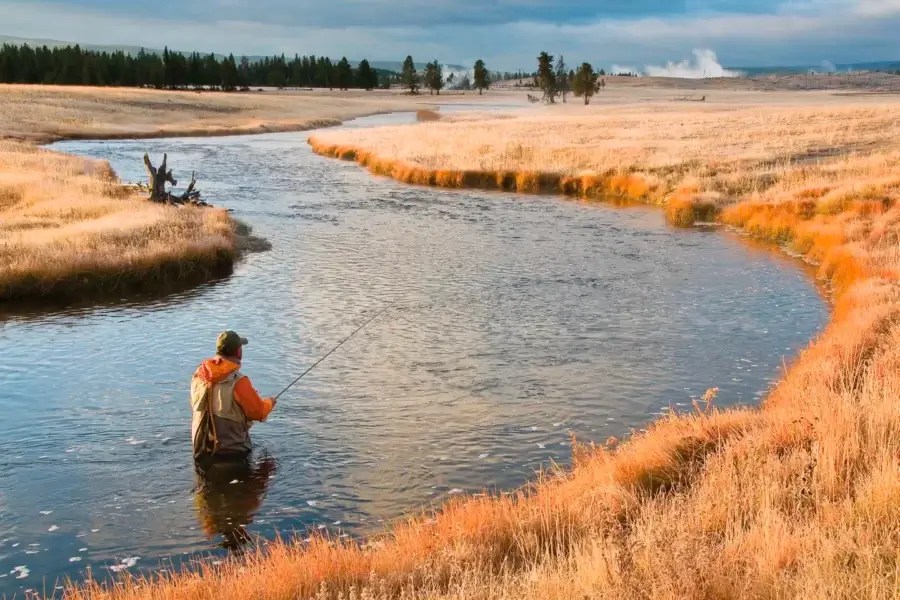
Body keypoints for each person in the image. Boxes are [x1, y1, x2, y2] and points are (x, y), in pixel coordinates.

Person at [190, 331, 276, 461]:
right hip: (233, 455)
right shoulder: (239, 381)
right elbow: (258, 412)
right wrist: (270, 403)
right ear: (238, 351)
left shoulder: (199, 375)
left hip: (201, 450)